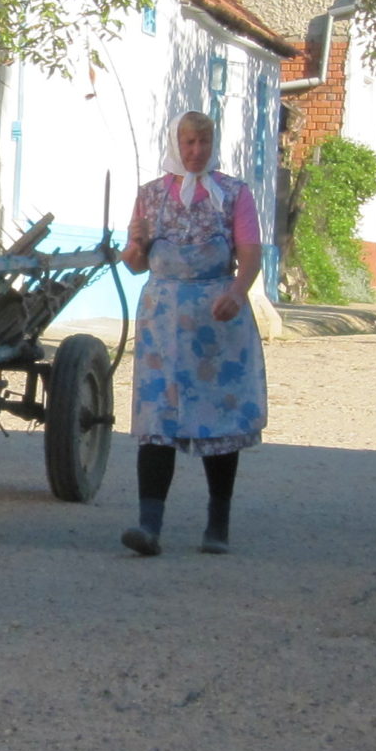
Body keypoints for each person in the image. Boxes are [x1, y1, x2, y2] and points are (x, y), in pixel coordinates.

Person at [118, 110, 268, 556]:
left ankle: (217, 525)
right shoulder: (149, 195)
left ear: (213, 143)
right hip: (162, 324)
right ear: (176, 144)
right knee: (157, 422)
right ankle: (149, 526)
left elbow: (250, 255)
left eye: (203, 142)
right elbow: (134, 264)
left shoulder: (235, 194)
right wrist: (136, 242)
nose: (195, 150)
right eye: (188, 142)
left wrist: (238, 292)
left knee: (217, 421)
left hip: (216, 325)